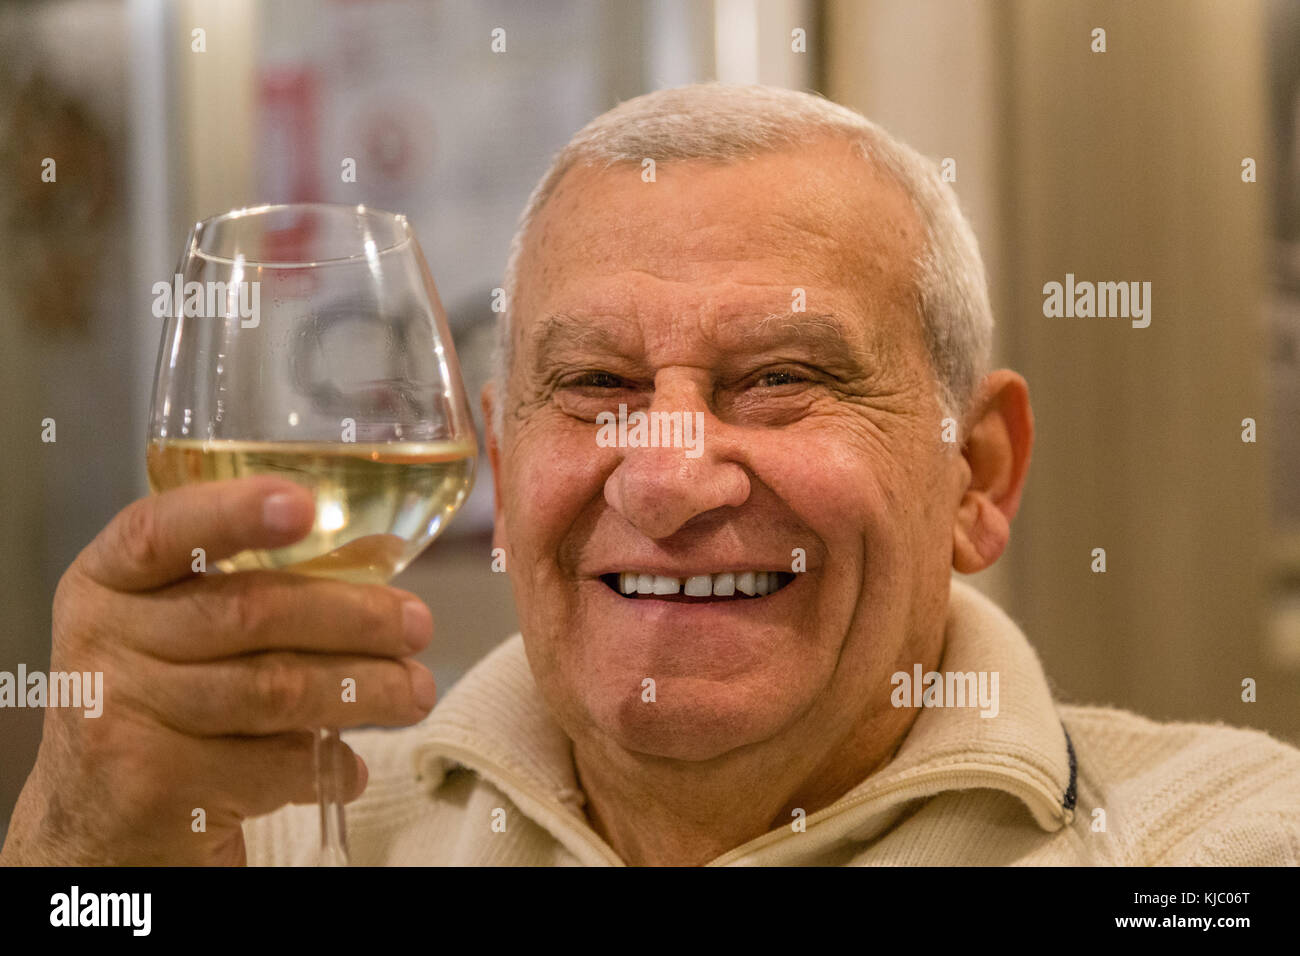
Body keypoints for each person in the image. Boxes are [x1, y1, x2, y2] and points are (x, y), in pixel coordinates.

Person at [4, 83, 1298, 867]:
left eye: (781, 376)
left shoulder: (1217, 848)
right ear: (506, 472)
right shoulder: (286, 836)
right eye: (599, 388)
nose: (668, 480)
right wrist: (80, 841)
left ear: (977, 475)